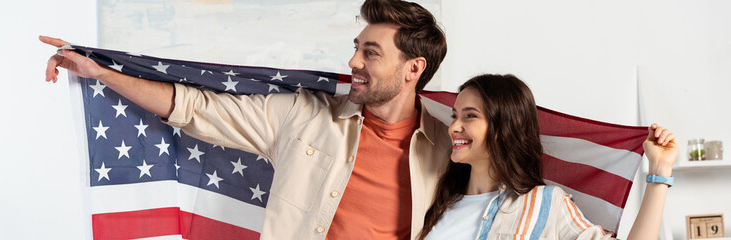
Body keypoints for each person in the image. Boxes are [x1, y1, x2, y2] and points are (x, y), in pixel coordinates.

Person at [42, 0, 451, 239]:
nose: (353, 62)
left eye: (371, 53)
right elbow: (195, 107)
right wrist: (103, 74)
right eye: (357, 47)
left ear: (413, 69)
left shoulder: (452, 146)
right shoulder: (304, 115)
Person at [420, 74, 677, 239]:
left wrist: (660, 171)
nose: (453, 127)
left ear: (503, 128)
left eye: (470, 116)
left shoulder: (545, 204)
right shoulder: (441, 202)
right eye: (454, 115)